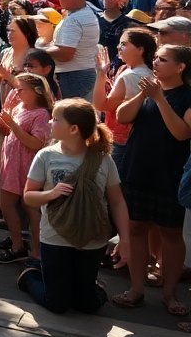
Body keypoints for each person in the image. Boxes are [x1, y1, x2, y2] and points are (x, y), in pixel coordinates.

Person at [17, 98, 130, 314]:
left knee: (87, 306)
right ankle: (30, 277)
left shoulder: (103, 160)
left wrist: (125, 240)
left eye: (55, 119)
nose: (50, 123)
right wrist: (50, 194)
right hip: (55, 238)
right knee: (57, 304)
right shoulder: (46, 156)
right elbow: (29, 197)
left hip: (92, 240)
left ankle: (81, 288)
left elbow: (117, 201)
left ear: (74, 129)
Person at [111, 44, 191, 316]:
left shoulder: (186, 96)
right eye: (155, 58)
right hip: (138, 170)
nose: (155, 62)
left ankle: (170, 294)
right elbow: (122, 117)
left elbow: (182, 133)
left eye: (163, 59)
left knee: (170, 233)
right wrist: (144, 95)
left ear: (180, 67)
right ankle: (136, 289)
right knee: (135, 229)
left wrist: (159, 99)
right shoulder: (148, 90)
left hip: (169, 175)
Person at [0, 71, 54, 266]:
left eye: (21, 90)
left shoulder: (42, 114)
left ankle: (37, 250)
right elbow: (9, 132)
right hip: (11, 163)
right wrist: (1, 124)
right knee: (7, 205)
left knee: (31, 209)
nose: (16, 93)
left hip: (28, 167)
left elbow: (35, 143)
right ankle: (17, 245)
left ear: (36, 92)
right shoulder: (19, 107)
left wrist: (12, 126)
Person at [94, 29, 156, 168]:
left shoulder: (132, 76)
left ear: (140, 49)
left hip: (122, 141)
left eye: (123, 44)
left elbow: (101, 105)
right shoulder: (139, 71)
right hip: (136, 138)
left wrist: (100, 75)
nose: (118, 47)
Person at [48, 0, 100, 101]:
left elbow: (66, 54)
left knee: (73, 116)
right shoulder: (84, 12)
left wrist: (41, 50)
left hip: (75, 76)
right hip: (81, 73)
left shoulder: (75, 19)